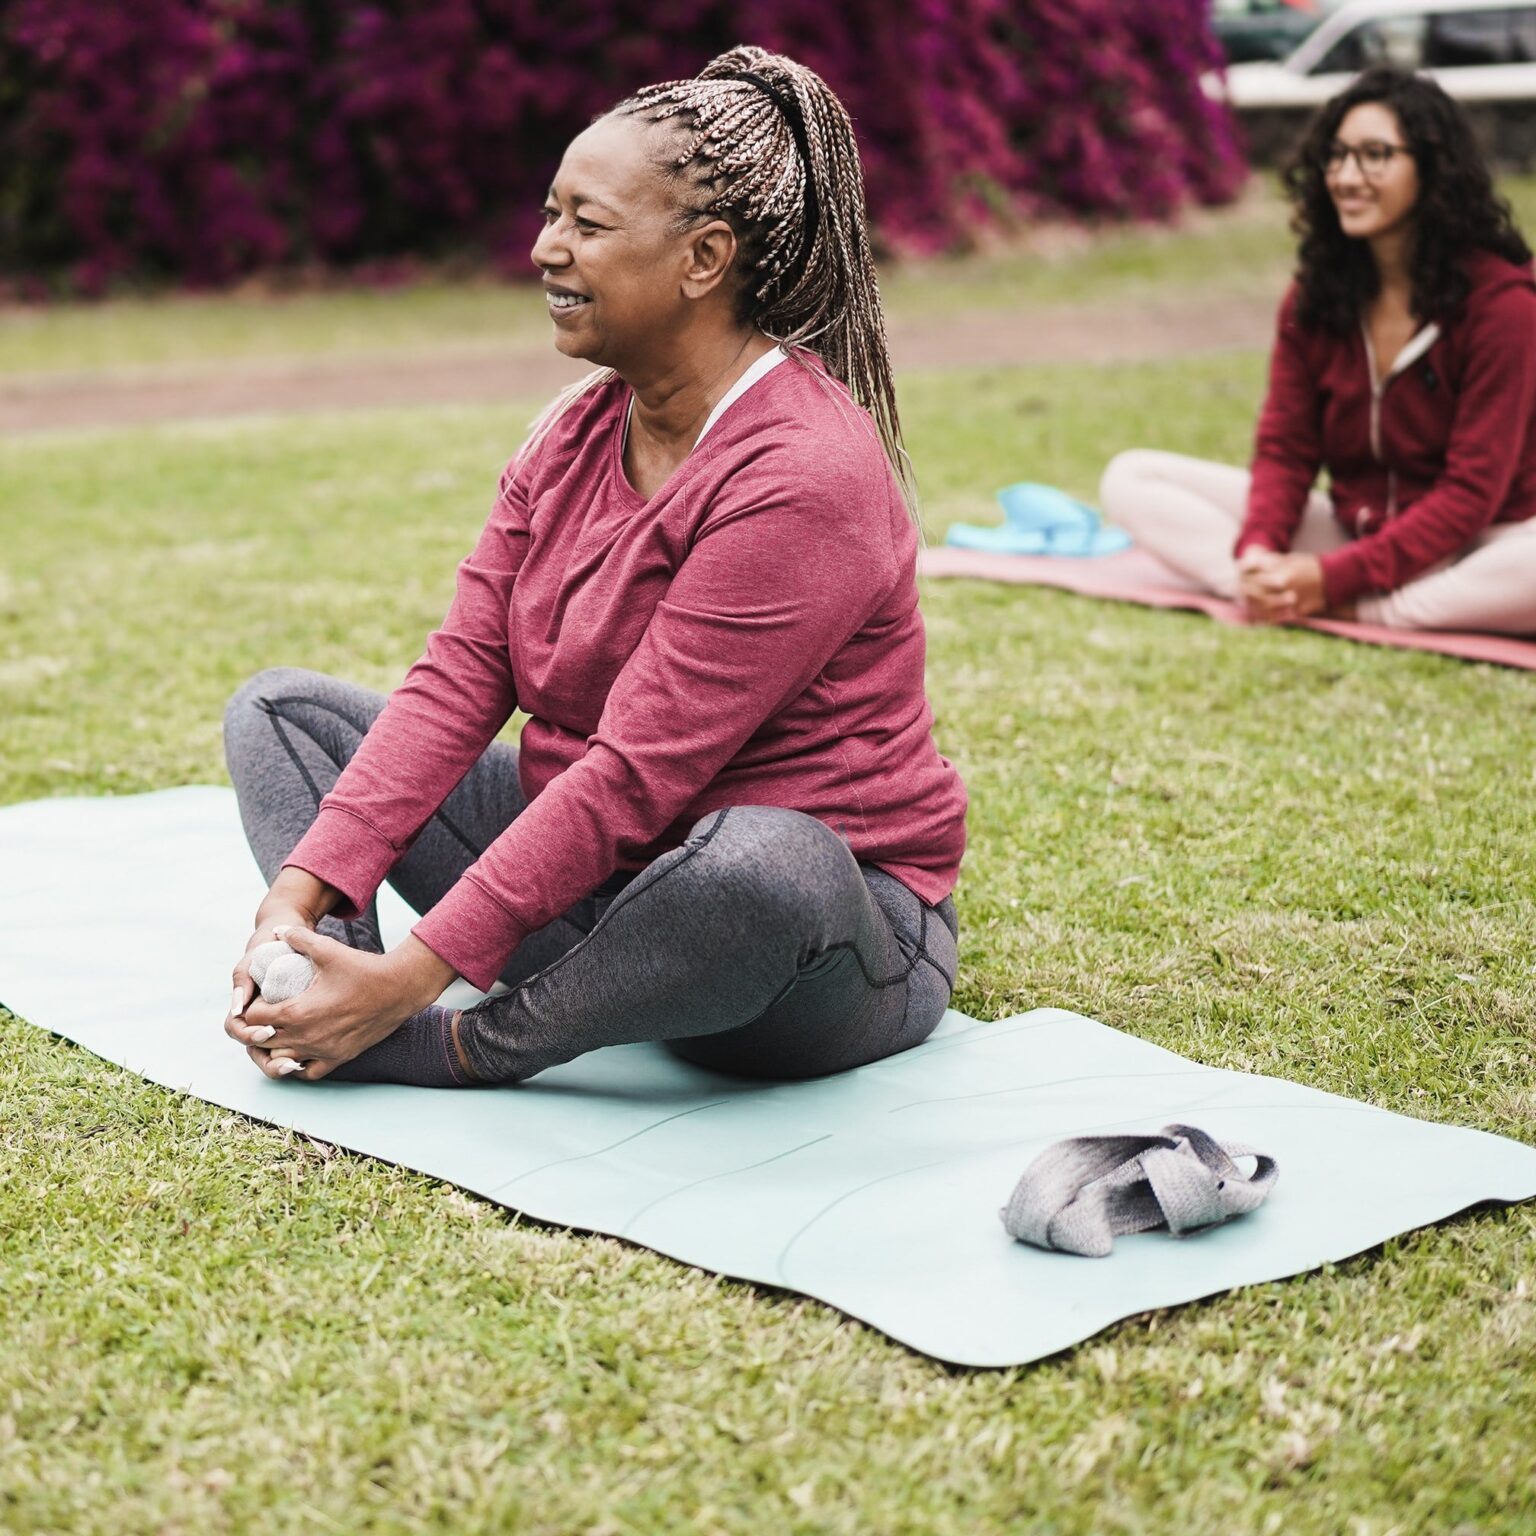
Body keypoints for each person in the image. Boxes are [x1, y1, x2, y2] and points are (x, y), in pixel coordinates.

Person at [220, 47, 967, 1087]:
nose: (545, 248)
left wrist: (426, 983)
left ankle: (453, 1041)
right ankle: (328, 981)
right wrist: (302, 894)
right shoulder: (571, 433)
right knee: (283, 718)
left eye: (587, 223)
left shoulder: (802, 472)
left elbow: (636, 774)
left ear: (704, 258)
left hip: (801, 952)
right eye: (550, 214)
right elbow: (460, 678)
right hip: (598, 890)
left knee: (761, 863)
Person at [1100, 67, 1536, 633]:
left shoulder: (1503, 305)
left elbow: (1471, 494)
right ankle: (1271, 589)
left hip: (1484, 541)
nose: (1347, 176)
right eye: (1336, 156)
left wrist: (1333, 579)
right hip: (1358, 528)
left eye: (1375, 154)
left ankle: (1361, 608)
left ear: (1433, 168)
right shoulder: (1317, 298)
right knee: (1131, 479)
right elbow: (1286, 449)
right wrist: (1260, 547)